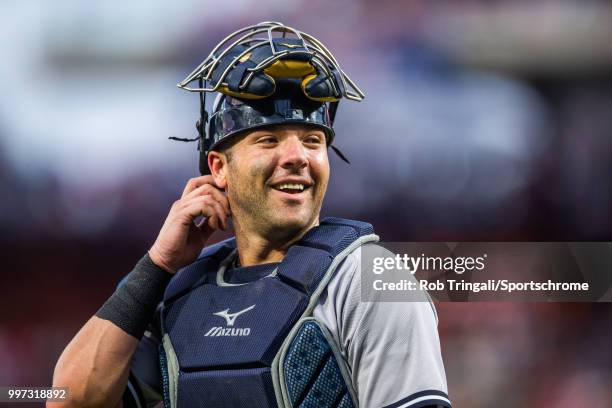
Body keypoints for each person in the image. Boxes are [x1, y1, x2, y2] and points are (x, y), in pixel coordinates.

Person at [52, 22, 450, 408]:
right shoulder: (182, 292)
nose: (296, 157)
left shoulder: (366, 281)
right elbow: (70, 400)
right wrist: (157, 265)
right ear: (219, 168)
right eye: (268, 140)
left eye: (312, 141)